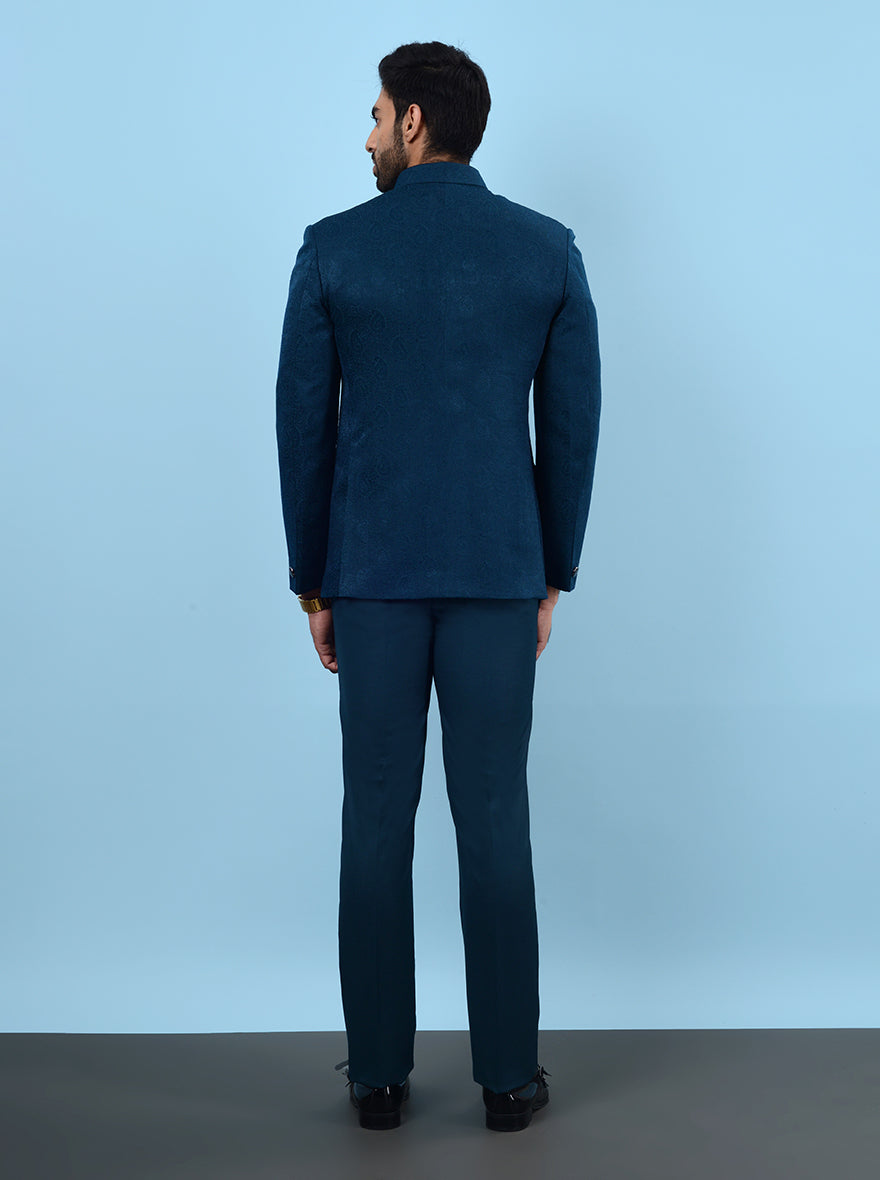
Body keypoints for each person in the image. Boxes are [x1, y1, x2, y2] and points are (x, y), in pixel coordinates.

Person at [275, 40, 601, 1133]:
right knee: (495, 818)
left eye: (376, 115)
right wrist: (551, 569)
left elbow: (302, 432)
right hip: (498, 574)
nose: (368, 134)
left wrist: (313, 582)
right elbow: (570, 427)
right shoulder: (545, 251)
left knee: (375, 819)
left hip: (371, 578)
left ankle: (377, 1079)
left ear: (415, 122)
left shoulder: (333, 249)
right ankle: (508, 1080)